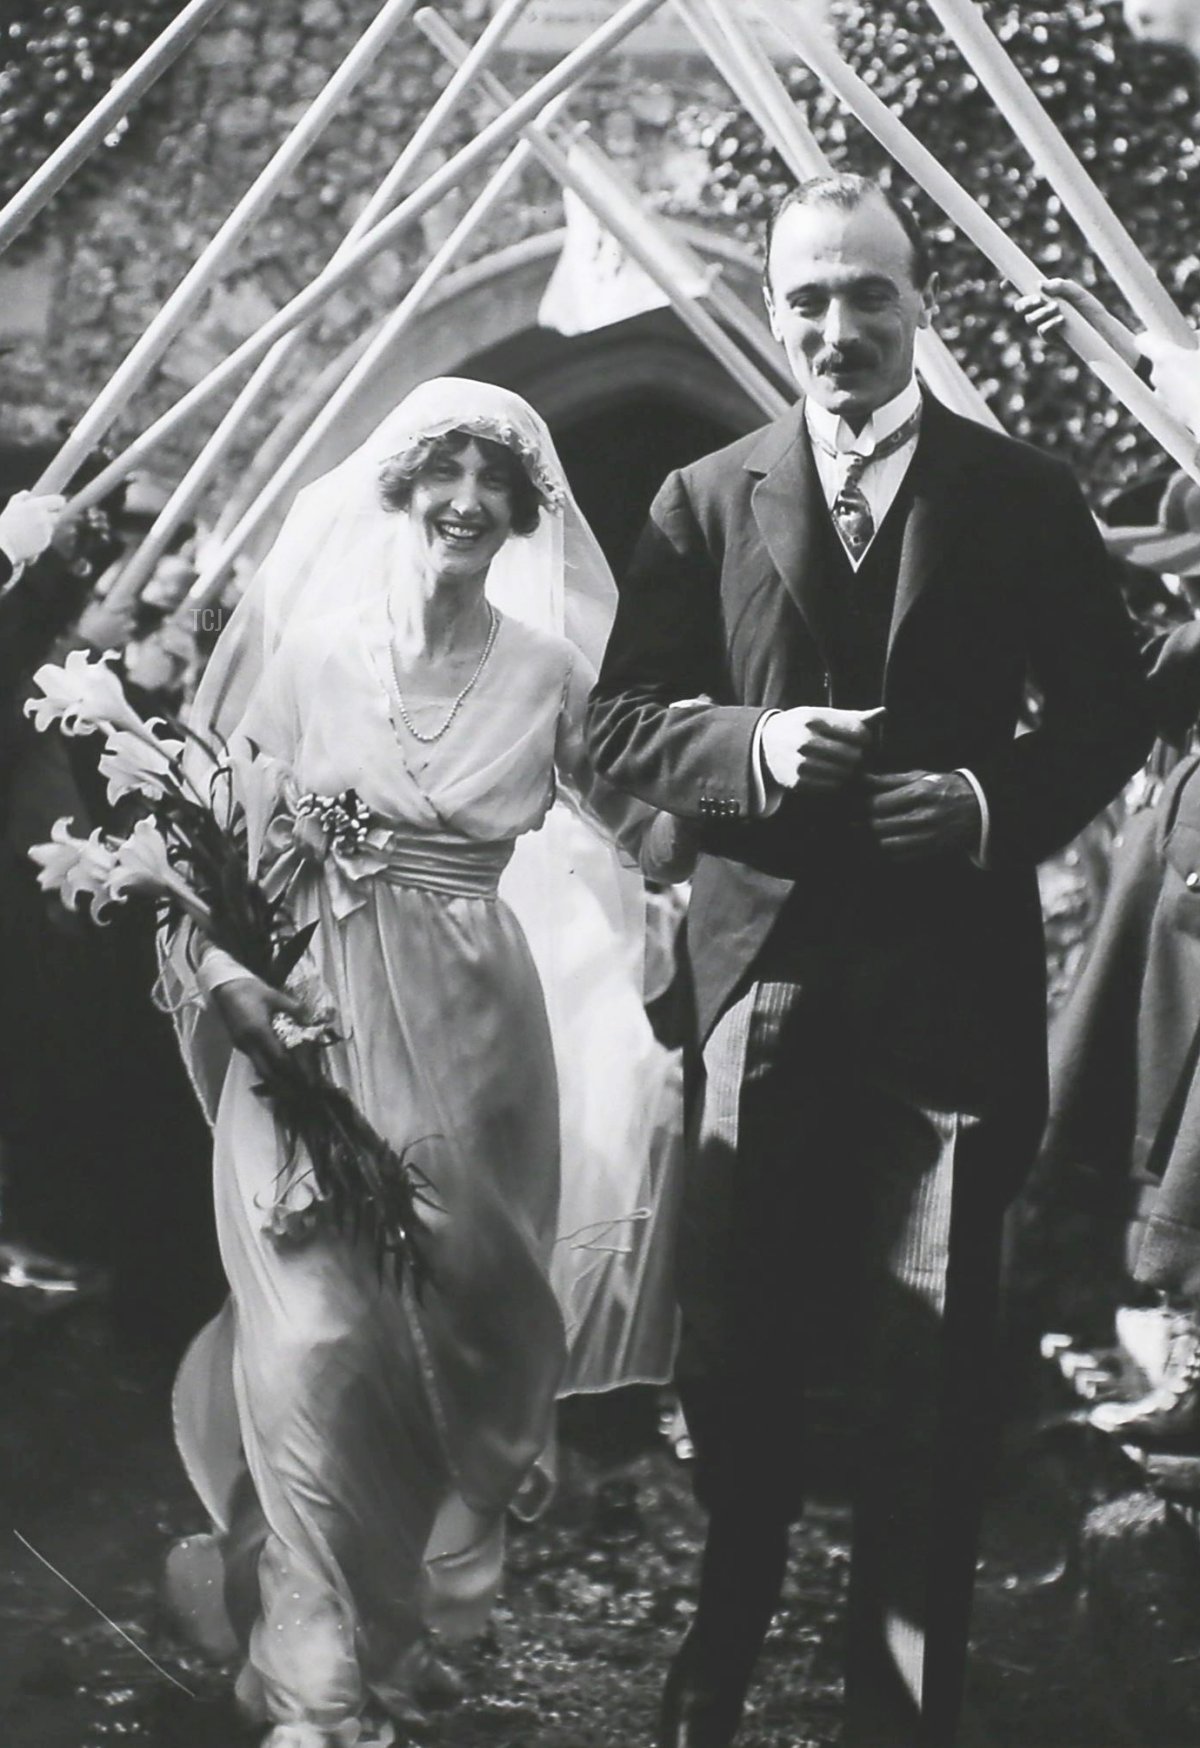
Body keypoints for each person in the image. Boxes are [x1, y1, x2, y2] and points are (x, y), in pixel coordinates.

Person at [587, 173, 1152, 1748]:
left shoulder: (1020, 495)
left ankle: (902, 1700)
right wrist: (754, 742)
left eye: (871, 295)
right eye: (812, 300)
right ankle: (719, 1663)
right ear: (775, 316)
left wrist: (984, 803)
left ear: (922, 307)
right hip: (757, 991)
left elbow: (1109, 715)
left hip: (950, 1002)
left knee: (933, 1363)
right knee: (742, 1351)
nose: (841, 326)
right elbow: (621, 717)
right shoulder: (704, 500)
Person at [159, 378, 684, 1748]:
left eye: (491, 477)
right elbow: (205, 847)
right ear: (398, 492)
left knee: (442, 1346)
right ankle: (317, 1684)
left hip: (473, 1039)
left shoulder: (554, 676)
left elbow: (657, 829)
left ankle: (382, 1634)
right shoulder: (314, 656)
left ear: (522, 513)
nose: (463, 495)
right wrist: (226, 976)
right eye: (439, 468)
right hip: (310, 1028)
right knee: (319, 1339)